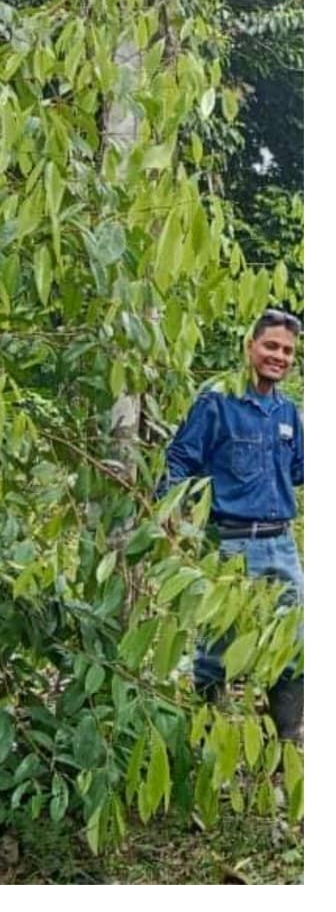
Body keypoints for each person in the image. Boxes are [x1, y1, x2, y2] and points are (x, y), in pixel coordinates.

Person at [161, 309, 304, 740]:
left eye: (288, 351)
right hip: (229, 544)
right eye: (271, 346)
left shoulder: (287, 411)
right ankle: (208, 737)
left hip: (281, 544)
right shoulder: (217, 401)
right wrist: (169, 515)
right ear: (250, 347)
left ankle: (286, 738)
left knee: (295, 641)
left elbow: (299, 470)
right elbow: (180, 459)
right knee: (216, 647)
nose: (278, 356)